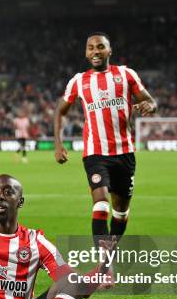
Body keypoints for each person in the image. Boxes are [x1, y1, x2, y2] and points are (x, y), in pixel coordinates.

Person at [54, 33, 157, 237]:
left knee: (120, 213)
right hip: (95, 153)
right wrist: (58, 144)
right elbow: (60, 110)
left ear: (109, 50)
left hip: (124, 153)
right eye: (91, 48)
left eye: (100, 47)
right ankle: (102, 263)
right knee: (100, 205)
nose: (95, 51)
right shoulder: (78, 80)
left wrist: (150, 106)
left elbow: (151, 101)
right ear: (86, 53)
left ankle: (106, 260)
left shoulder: (126, 74)